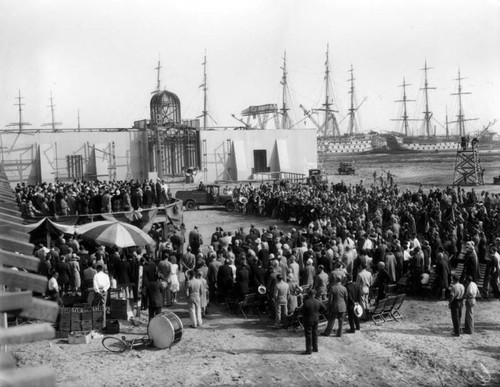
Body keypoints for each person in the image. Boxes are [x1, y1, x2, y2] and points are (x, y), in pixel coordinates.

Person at [300, 288, 327, 355]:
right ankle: (315, 348)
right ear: (314, 295)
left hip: (308, 320)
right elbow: (325, 308)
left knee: (308, 334)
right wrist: (320, 313)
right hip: (316, 319)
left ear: (308, 294)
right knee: (315, 333)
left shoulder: (306, 302)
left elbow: (301, 311)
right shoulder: (317, 301)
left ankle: (308, 350)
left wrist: (304, 315)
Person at [93, 264, 111, 328]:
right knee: (103, 306)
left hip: (97, 292)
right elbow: (108, 284)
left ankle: (95, 322)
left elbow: (95, 284)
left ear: (97, 269)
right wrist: (103, 290)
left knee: (96, 306)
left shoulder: (96, 275)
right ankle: (103, 323)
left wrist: (98, 291)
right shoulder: (106, 276)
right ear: (102, 269)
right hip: (104, 291)